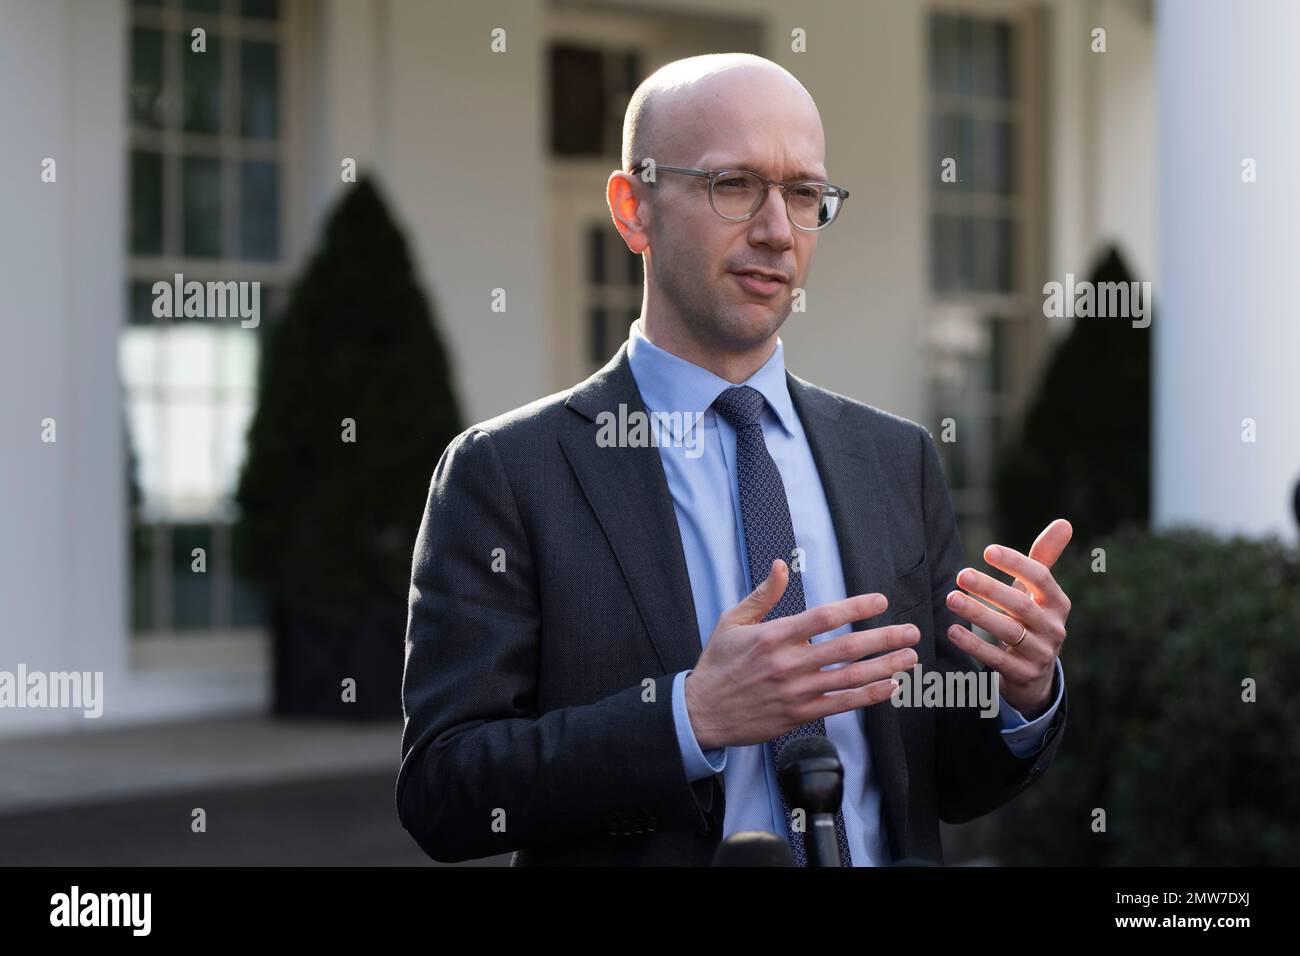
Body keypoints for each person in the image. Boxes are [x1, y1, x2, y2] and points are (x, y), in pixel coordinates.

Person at [396, 53, 1070, 866]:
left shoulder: (896, 459)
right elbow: (445, 789)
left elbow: (944, 784)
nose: (777, 231)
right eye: (734, 185)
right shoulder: (509, 471)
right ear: (633, 206)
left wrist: (1018, 692)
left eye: (802, 193)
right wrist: (691, 717)